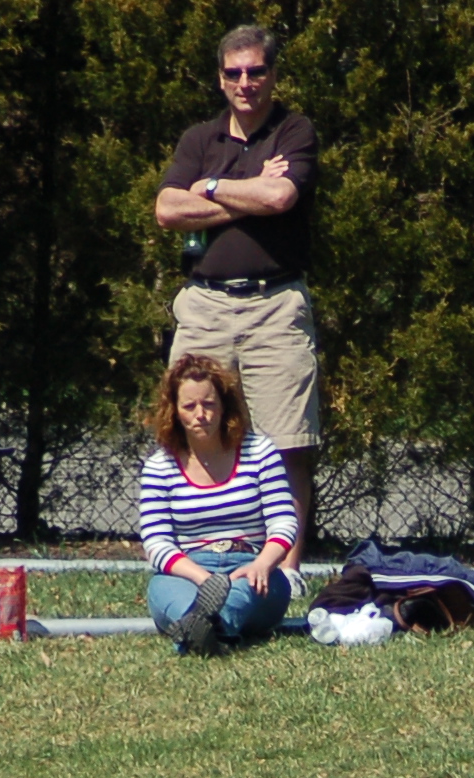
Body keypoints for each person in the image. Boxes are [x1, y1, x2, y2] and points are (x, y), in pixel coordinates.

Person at [154, 26, 322, 550]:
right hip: (204, 307)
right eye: (234, 73)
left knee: (287, 444)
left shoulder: (294, 131)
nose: (245, 82)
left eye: (256, 71)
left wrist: (208, 187)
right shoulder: (199, 140)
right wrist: (246, 192)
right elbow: (167, 210)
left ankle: (285, 570)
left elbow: (279, 199)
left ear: (272, 74)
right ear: (220, 77)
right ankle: (194, 559)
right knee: (191, 431)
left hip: (276, 306)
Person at [139, 354, 300, 652]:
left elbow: (284, 522)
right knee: (164, 590)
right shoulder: (159, 467)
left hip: (251, 565)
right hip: (188, 570)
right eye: (189, 406)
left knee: (244, 591)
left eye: (209, 404)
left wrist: (263, 564)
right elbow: (156, 542)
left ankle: (202, 629)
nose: (201, 414)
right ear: (174, 411)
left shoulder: (260, 451)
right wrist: (204, 579)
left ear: (225, 405)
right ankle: (206, 629)